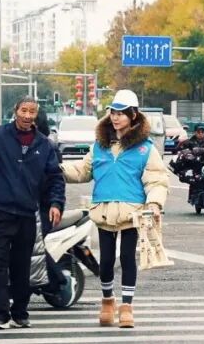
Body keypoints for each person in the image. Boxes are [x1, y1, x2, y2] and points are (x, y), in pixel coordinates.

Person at [62, 89, 170, 329]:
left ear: (133, 115)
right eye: (113, 112)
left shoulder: (145, 148)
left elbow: (157, 179)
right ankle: (107, 302)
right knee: (107, 259)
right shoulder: (99, 146)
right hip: (104, 209)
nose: (115, 117)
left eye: (121, 113)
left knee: (128, 257)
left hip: (132, 211)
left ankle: (127, 307)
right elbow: (82, 171)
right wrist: (57, 170)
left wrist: (154, 203)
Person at [0, 96, 66, 330]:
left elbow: (55, 177)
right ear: (15, 111)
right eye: (23, 111)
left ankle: (20, 312)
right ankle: (1, 315)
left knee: (22, 266)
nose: (27, 116)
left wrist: (56, 203)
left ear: (36, 115)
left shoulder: (44, 144)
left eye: (32, 112)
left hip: (27, 213)